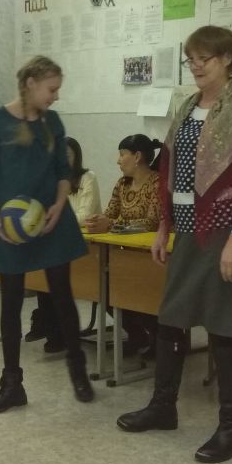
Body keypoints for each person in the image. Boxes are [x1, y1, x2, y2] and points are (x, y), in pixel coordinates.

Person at [116, 26, 232, 464]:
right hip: (186, 227)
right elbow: (170, 172)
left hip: (226, 229)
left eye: (204, 58)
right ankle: (163, 406)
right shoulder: (188, 107)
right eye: (191, 59)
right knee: (172, 319)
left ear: (227, 59)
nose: (196, 66)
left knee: (225, 326)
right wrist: (164, 226)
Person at [0, 55, 95, 413]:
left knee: (62, 295)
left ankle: (78, 369)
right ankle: (12, 383)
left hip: (50, 221)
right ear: (31, 84)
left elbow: (63, 171)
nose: (56, 96)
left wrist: (59, 203)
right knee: (11, 301)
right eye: (51, 89)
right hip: (10, 225)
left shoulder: (52, 122)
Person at [85, 134, 162, 355]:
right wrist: (98, 220)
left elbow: (152, 223)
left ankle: (158, 336)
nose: (118, 161)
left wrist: (111, 224)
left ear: (137, 157)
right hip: (125, 255)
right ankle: (137, 335)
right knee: (105, 288)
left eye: (122, 155)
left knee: (141, 291)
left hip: (151, 256)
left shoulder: (157, 182)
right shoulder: (122, 184)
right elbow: (110, 214)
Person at [25, 137, 101, 352]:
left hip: (88, 244)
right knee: (44, 283)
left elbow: (85, 215)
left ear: (76, 157)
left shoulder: (87, 178)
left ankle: (61, 333)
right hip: (58, 240)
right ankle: (51, 331)